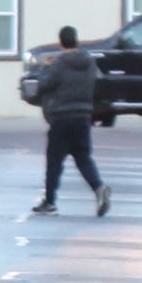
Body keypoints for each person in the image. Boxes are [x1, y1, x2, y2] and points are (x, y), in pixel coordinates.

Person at [24, 26, 111, 217]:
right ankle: (99, 187)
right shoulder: (89, 63)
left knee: (54, 161)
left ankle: (50, 201)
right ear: (76, 41)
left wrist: (46, 67)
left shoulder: (59, 64)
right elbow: (98, 83)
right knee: (83, 157)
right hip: (82, 117)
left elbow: (44, 85)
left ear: (61, 42)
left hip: (61, 117)